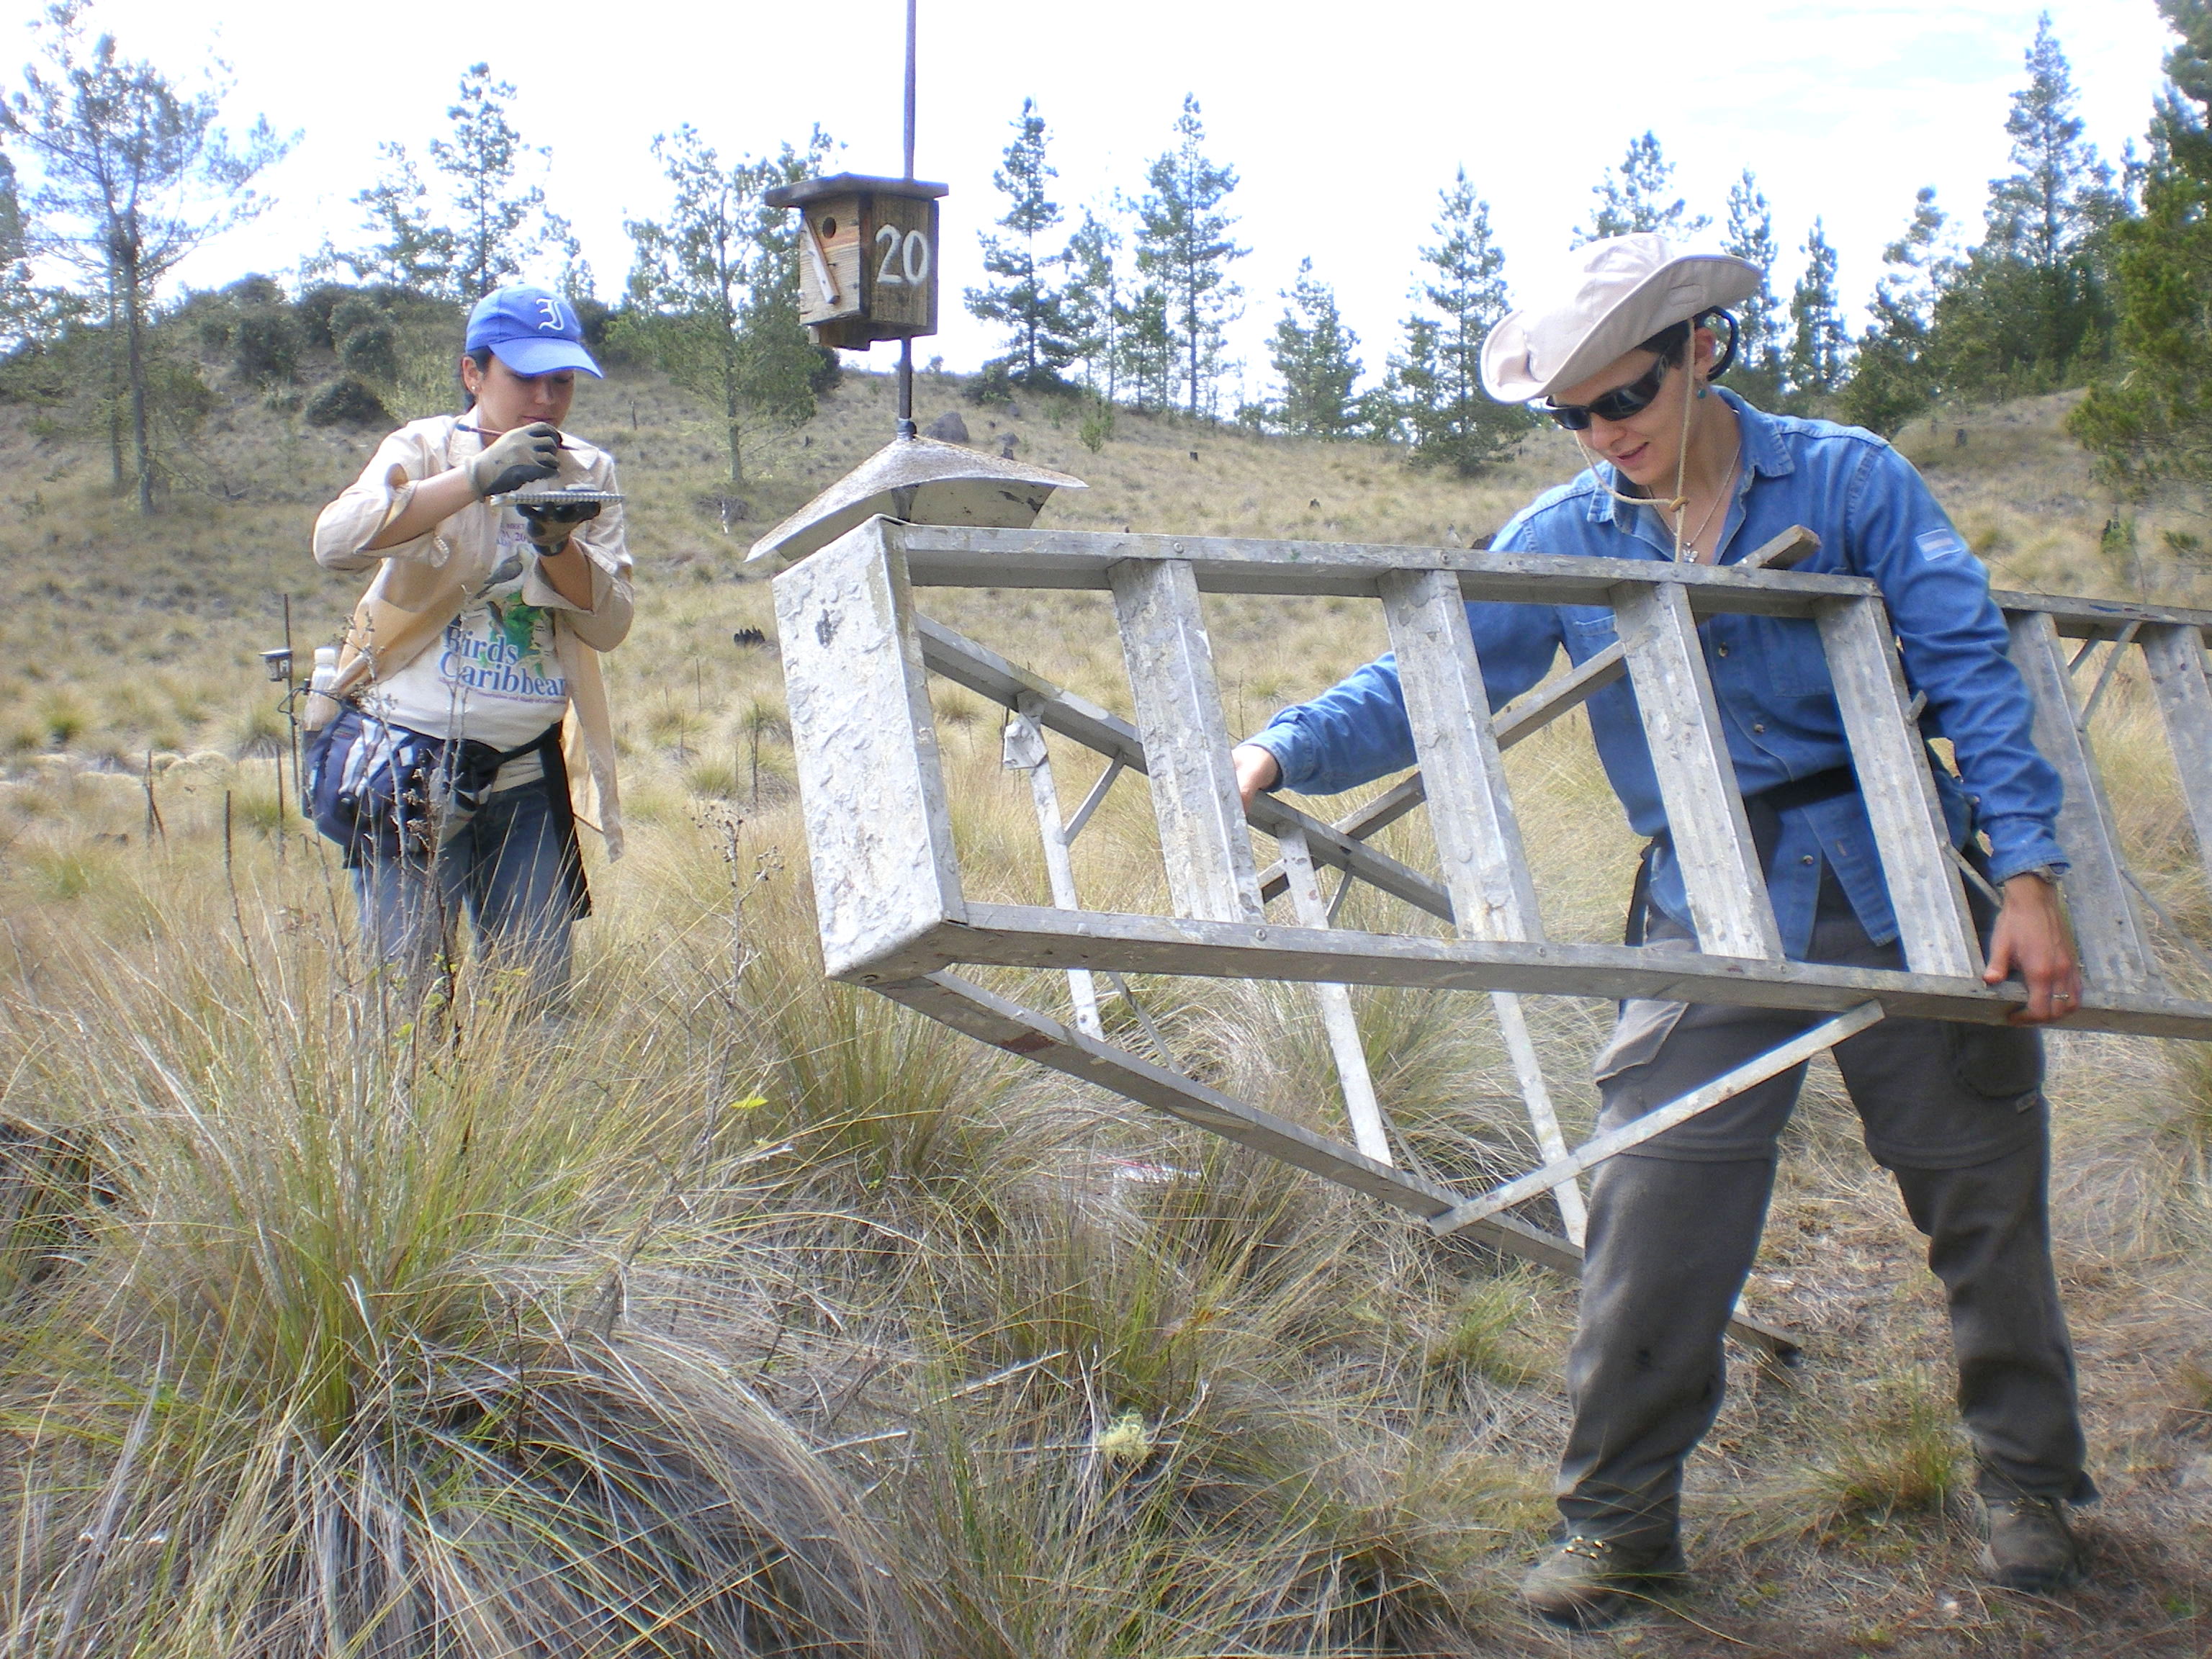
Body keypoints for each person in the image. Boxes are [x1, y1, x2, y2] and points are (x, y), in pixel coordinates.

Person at [1230, 234, 2092, 1629]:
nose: (1603, 434)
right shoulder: (1564, 534)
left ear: (1701, 350)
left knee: (1981, 1188)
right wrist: (1278, 749)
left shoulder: (1851, 480)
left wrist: (2031, 876)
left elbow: (1969, 669)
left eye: (1623, 397)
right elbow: (1429, 673)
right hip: (1705, 899)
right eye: (1572, 415)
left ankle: (2028, 1481)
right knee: (1655, 1196)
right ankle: (1619, 1523)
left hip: (1900, 881)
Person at [310, 284, 633, 1015]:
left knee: (538, 1005)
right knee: (405, 1006)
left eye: (562, 381)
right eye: (526, 377)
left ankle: (521, 1097)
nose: (546, 398)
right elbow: (335, 543)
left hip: (526, 774)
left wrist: (557, 546)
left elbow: (610, 626)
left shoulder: (589, 471)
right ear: (473, 373)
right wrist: (477, 479)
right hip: (410, 768)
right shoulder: (424, 449)